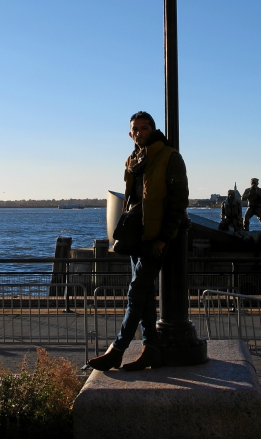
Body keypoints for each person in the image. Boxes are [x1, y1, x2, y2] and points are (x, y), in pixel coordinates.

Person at [88, 111, 189, 371]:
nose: (140, 132)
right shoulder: (133, 160)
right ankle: (151, 348)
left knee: (136, 293)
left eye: (144, 128)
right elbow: (132, 200)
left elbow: (178, 202)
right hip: (136, 237)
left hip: (156, 239)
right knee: (142, 296)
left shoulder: (170, 157)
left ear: (152, 129)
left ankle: (117, 350)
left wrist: (163, 239)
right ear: (130, 133)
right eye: (136, 129)